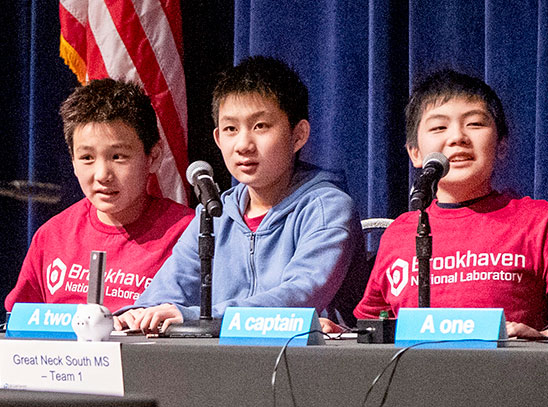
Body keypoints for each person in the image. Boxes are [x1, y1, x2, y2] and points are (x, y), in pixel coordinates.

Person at [114, 55, 367, 332]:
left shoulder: (327, 207)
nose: (243, 144)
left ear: (298, 135)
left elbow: (300, 296)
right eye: (231, 129)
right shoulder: (214, 215)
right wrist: (134, 315)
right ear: (218, 139)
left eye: (260, 126)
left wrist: (199, 316)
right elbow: (166, 291)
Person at [324, 69, 548, 338]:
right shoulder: (400, 232)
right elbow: (373, 329)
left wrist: (542, 337)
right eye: (439, 127)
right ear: (415, 153)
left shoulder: (536, 221)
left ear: (501, 145)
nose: (457, 137)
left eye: (475, 124)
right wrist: (338, 334)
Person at [4, 78, 195, 313]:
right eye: (87, 158)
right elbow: (20, 324)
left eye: (118, 157)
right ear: (73, 161)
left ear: (153, 157)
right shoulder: (52, 236)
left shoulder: (189, 234)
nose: (102, 175)